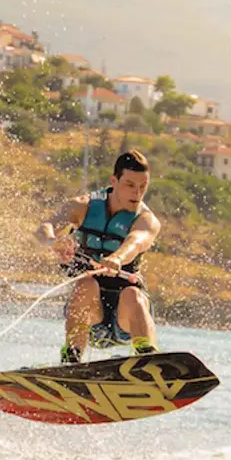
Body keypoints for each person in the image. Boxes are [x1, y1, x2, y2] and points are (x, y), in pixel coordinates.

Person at [34, 149, 162, 364]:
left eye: (143, 187)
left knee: (133, 294)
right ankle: (72, 359)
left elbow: (136, 241)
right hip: (89, 317)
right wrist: (51, 241)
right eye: (130, 185)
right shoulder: (83, 206)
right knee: (86, 284)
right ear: (114, 180)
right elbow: (45, 227)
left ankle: (148, 361)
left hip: (126, 320)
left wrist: (118, 258)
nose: (137, 193)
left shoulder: (146, 220)